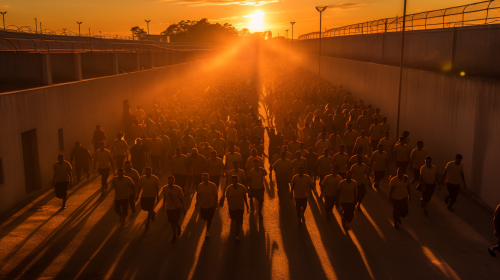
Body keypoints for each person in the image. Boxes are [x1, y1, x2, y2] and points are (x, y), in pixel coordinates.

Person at [225, 175, 249, 241]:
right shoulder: (229, 188)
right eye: (233, 180)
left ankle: (237, 235)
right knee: (233, 218)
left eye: (236, 180)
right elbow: (227, 198)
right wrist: (228, 206)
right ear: (232, 181)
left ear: (238, 180)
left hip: (240, 207)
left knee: (238, 221)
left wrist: (247, 205)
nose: (234, 182)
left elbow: (244, 197)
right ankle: (236, 227)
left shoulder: (242, 188)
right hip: (232, 207)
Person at [163, 175, 185, 243]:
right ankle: (178, 226)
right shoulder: (164, 188)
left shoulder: (178, 189)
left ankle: (174, 235)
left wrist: (183, 207)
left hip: (177, 208)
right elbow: (164, 198)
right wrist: (163, 206)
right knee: (171, 222)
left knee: (174, 221)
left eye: (171, 181)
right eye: (168, 181)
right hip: (169, 208)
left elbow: (181, 198)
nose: (169, 182)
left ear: (173, 182)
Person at [198, 173, 218, 239]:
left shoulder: (213, 185)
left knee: (209, 219)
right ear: (202, 179)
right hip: (203, 205)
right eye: (204, 178)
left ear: (209, 178)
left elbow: (216, 195)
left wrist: (216, 203)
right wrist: (197, 201)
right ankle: (207, 226)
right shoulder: (200, 185)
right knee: (204, 218)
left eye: (207, 178)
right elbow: (199, 194)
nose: (205, 179)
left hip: (211, 205)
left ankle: (207, 232)